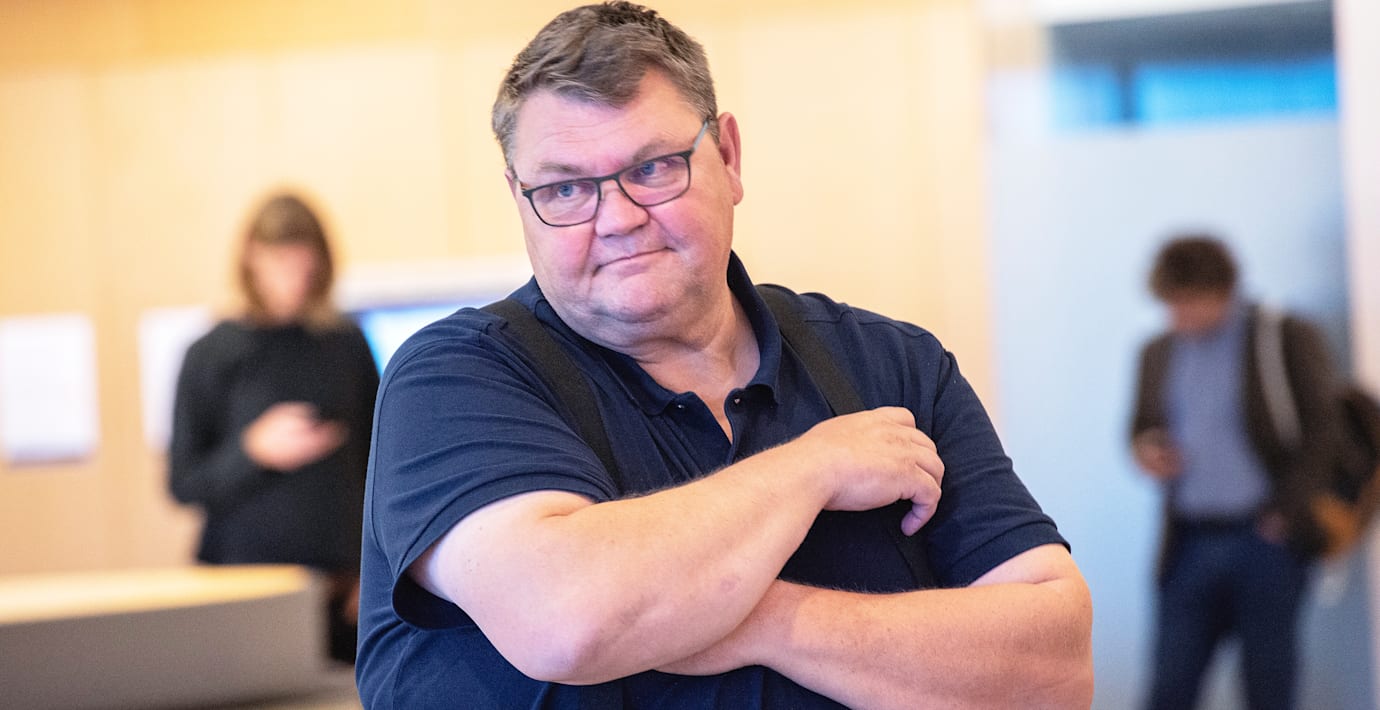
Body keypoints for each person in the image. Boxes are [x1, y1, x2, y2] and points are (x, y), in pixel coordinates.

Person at [356, 3, 1093, 708]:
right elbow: (568, 620)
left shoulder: (891, 365)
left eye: (653, 168)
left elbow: (1054, 673)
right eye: (567, 188)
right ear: (520, 197)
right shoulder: (456, 379)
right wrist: (815, 468)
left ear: (729, 157)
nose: (618, 219)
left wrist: (764, 621)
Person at [1129, 234, 1342, 710]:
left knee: (1268, 687)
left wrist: (1288, 512)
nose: (1177, 316)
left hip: (1264, 541)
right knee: (1169, 687)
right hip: (1188, 542)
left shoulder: (1281, 338)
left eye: (1188, 302)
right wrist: (1148, 451)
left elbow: (1324, 431)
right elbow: (1141, 428)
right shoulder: (1157, 351)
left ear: (1222, 290)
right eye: (1170, 304)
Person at [169, 192, 380, 664]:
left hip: (339, 588)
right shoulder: (210, 353)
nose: (293, 279)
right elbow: (183, 484)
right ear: (252, 258)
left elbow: (380, 469)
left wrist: (375, 570)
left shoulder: (346, 346)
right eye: (280, 262)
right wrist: (253, 451)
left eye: (304, 264)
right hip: (242, 590)